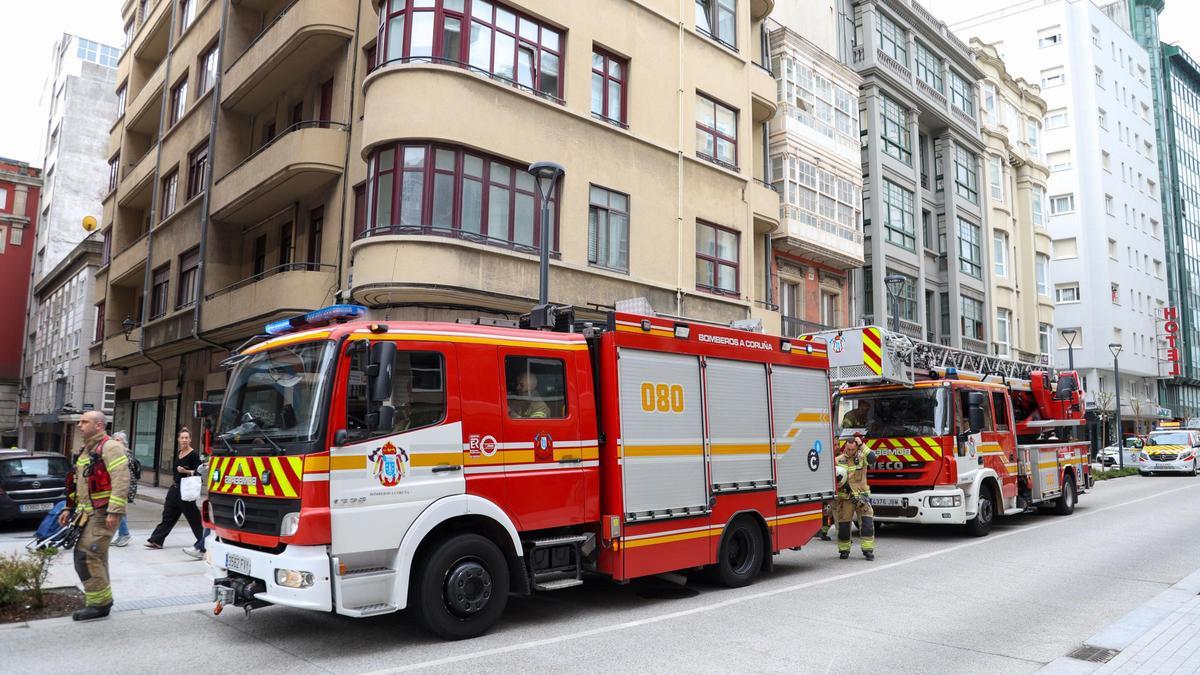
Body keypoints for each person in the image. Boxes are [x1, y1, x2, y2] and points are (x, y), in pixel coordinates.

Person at [59, 410, 130, 621]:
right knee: (96, 557)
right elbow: (76, 483)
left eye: (84, 422)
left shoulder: (111, 447)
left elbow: (121, 480)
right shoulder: (86, 451)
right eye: (79, 422)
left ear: (99, 425)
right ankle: (101, 600)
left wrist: (115, 512)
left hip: (102, 514)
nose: (80, 425)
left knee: (86, 556)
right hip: (86, 514)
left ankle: (99, 604)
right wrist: (68, 508)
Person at [145, 427, 204, 557]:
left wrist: (186, 471)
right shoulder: (178, 453)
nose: (184, 440)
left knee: (193, 519)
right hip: (174, 489)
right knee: (168, 515)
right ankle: (157, 540)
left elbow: (200, 472)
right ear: (178, 440)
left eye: (186, 438)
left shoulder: (193, 454)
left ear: (190, 440)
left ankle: (203, 544)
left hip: (186, 491)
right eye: (182, 438)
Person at [835, 432, 877, 561]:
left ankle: (868, 550)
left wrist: (862, 445)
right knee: (843, 526)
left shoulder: (863, 456)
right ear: (844, 447)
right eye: (848, 449)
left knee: (867, 524)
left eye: (853, 449)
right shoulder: (838, 460)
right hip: (846, 498)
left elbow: (873, 458)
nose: (851, 451)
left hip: (862, 497)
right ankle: (844, 550)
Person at [110, 431, 132, 547]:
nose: (116, 442)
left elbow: (125, 473)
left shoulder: (125, 454)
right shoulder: (117, 453)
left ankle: (124, 534)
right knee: (118, 510)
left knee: (119, 510)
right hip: (117, 486)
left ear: (123, 442)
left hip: (123, 487)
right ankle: (121, 535)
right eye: (115, 440)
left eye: (118, 440)